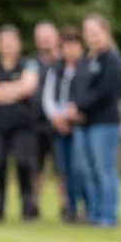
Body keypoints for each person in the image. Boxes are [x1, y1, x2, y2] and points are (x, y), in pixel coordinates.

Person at [0, 24, 41, 222]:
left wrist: (0, 90)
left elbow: (28, 87)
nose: (8, 46)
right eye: (4, 42)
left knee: (24, 164)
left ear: (19, 44)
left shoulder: (28, 64)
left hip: (23, 125)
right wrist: (14, 91)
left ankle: (27, 208)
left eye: (12, 42)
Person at [67, 13, 121, 228]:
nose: (92, 37)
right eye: (88, 33)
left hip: (104, 123)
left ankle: (107, 216)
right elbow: (76, 87)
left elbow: (106, 92)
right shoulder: (84, 60)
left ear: (105, 33)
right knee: (86, 170)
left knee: (104, 169)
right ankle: (93, 213)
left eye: (95, 32)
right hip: (83, 124)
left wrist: (81, 108)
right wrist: (72, 106)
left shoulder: (112, 60)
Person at [41, 26, 85, 222]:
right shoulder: (56, 69)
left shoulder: (85, 68)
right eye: (65, 46)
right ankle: (70, 208)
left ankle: (87, 206)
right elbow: (48, 96)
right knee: (64, 169)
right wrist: (56, 117)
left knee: (79, 168)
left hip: (80, 124)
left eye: (73, 45)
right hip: (59, 124)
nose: (69, 50)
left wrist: (73, 115)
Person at [31, 21, 62, 219]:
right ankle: (34, 206)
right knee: (36, 167)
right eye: (40, 37)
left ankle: (67, 205)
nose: (44, 41)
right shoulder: (32, 63)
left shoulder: (65, 61)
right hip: (36, 122)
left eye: (48, 36)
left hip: (60, 122)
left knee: (62, 168)